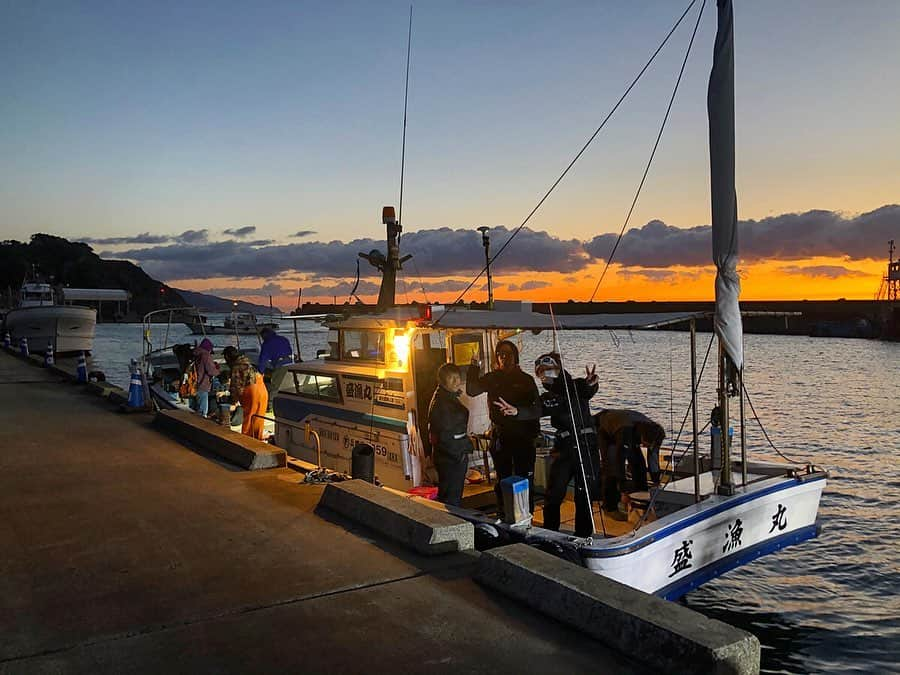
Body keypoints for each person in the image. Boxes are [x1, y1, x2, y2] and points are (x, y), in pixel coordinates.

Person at [532, 353, 606, 534]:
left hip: (586, 449)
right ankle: (550, 533)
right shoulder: (548, 396)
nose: (545, 375)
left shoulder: (576, 386)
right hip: (563, 450)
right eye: (541, 372)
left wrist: (592, 382)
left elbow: (588, 390)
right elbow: (536, 410)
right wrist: (516, 411)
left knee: (584, 495)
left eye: (549, 370)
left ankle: (583, 535)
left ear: (558, 369)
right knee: (553, 493)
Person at [466, 339, 542, 515]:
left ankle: (526, 517)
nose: (504, 358)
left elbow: (537, 409)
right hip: (501, 437)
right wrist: (474, 365)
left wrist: (518, 412)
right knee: (503, 480)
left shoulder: (526, 380)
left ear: (515, 357)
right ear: (497, 358)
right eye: (501, 354)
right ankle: (504, 515)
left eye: (508, 354)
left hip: (524, 438)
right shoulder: (493, 378)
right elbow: (471, 389)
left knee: (525, 480)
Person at [595, 409, 666, 509]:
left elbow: (653, 459)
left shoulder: (656, 435)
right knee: (611, 466)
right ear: (642, 437)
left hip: (628, 425)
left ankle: (641, 498)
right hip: (607, 428)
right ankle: (610, 506)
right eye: (645, 444)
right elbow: (619, 462)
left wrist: (656, 481)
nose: (645, 447)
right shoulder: (626, 433)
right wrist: (624, 491)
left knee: (639, 464)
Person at [427, 363, 472, 507]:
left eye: (457, 377)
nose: (455, 381)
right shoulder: (442, 404)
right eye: (451, 378)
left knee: (451, 495)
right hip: (451, 459)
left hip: (450, 456)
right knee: (451, 500)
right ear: (442, 381)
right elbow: (446, 437)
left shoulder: (446, 397)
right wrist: (464, 450)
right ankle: (451, 526)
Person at [228, 349, 269, 440]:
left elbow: (235, 386)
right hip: (263, 390)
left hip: (252, 392)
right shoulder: (248, 362)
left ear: (228, 358)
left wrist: (234, 402)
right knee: (259, 418)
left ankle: (247, 442)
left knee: (249, 418)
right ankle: (258, 439)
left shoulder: (236, 367)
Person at [258, 327, 294, 407]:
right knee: (287, 386)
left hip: (280, 365)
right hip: (290, 364)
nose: (262, 339)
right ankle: (288, 404)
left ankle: (271, 406)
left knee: (275, 387)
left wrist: (260, 372)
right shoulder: (283, 339)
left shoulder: (267, 343)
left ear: (264, 335)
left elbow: (263, 360)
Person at [192, 338, 219, 418]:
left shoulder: (196, 354)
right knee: (203, 412)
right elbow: (211, 371)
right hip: (203, 385)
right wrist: (218, 370)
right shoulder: (206, 355)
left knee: (196, 408)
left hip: (195, 384)